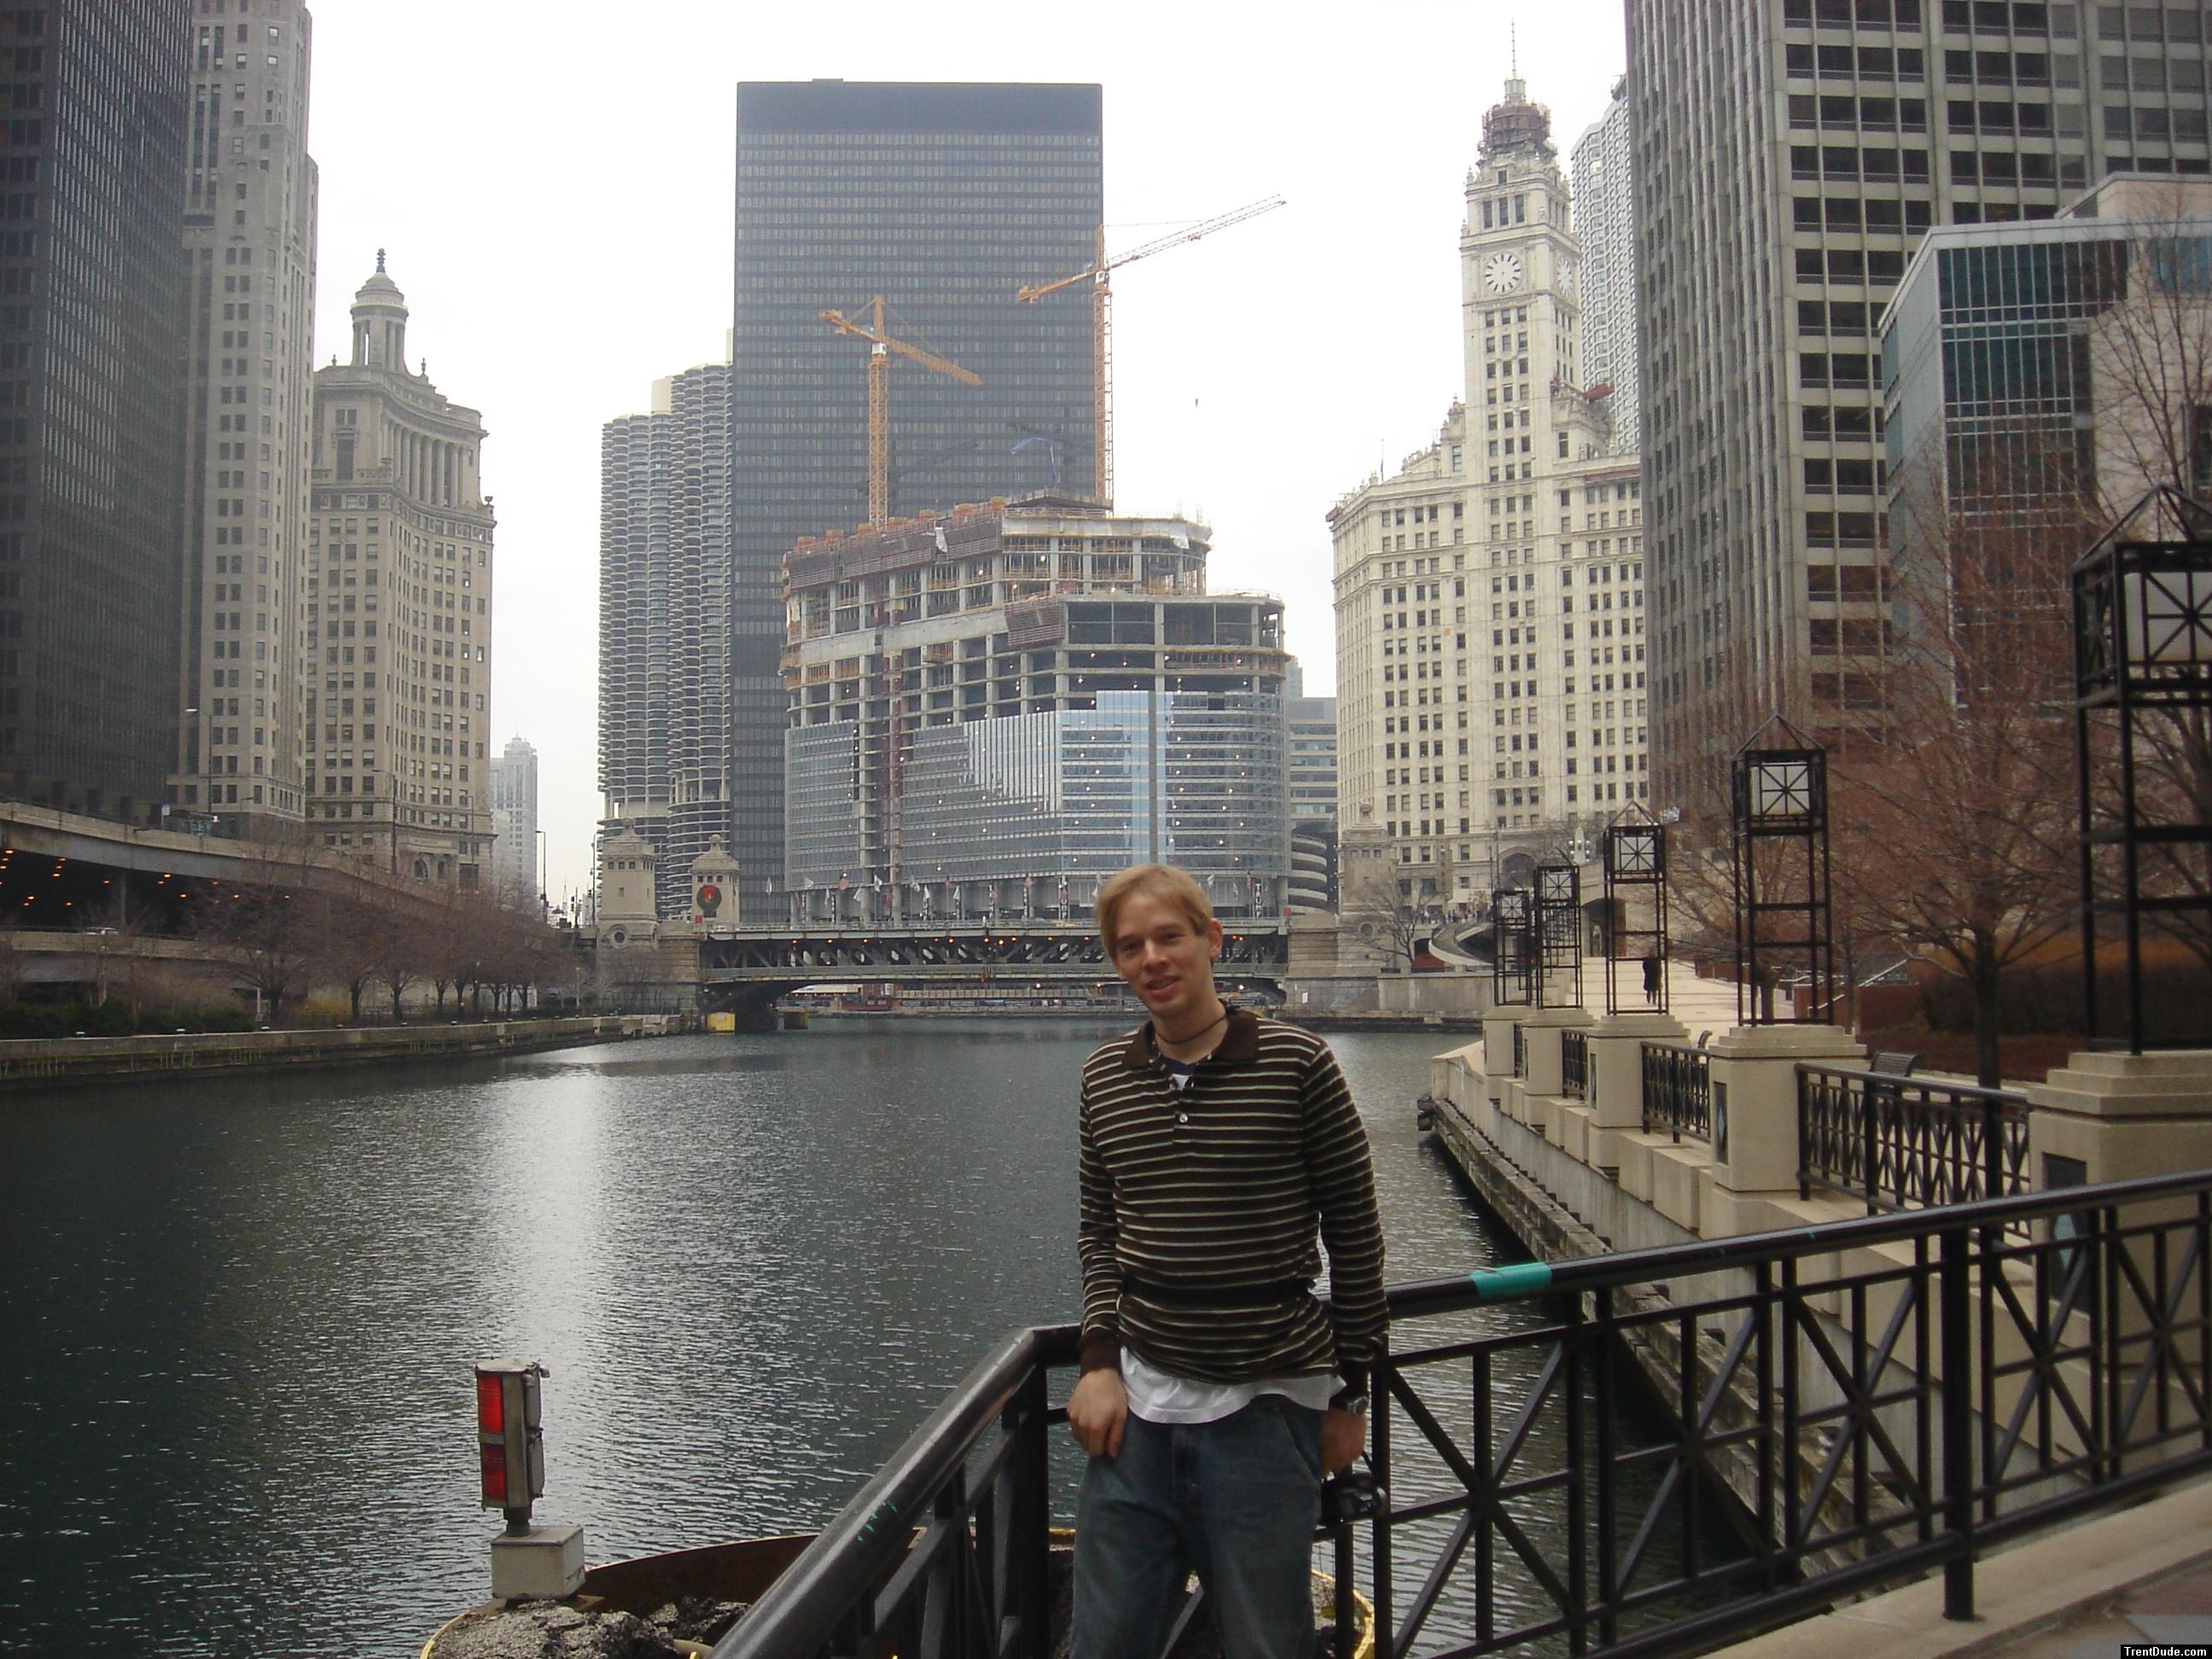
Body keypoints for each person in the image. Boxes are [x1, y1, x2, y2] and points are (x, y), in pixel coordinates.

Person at [1068, 863, 1386, 1659]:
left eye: (1169, 936)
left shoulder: (1298, 1063)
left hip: (1266, 1410)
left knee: (1265, 1645)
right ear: (1116, 964)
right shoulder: (1104, 1077)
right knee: (1104, 1644)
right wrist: (1099, 1361)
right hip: (1135, 1419)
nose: (1152, 959)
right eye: (1130, 945)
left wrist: (1351, 1393)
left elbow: (1355, 1235)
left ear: (1214, 939)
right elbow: (1099, 1232)